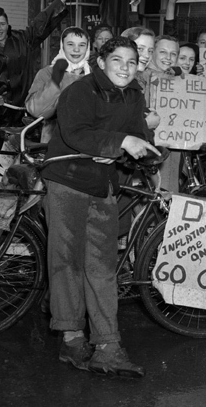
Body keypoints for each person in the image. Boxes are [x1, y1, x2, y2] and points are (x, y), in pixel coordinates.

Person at [42, 36, 159, 377]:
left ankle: (108, 345)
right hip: (67, 180)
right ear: (102, 62)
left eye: (132, 61)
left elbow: (138, 133)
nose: (125, 67)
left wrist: (150, 157)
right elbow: (77, 133)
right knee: (66, 261)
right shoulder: (80, 90)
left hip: (103, 184)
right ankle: (71, 336)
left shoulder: (135, 94)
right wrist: (122, 141)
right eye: (118, 60)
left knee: (102, 265)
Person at [0, 0, 73, 162]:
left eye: (2, 24)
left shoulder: (21, 39)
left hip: (21, 115)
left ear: (7, 24)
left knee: (21, 161)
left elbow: (42, 22)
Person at [25, 27, 91, 143]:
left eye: (82, 45)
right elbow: (36, 110)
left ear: (88, 47)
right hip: (54, 142)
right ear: (62, 46)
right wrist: (56, 80)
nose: (76, 49)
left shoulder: (94, 74)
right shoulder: (47, 73)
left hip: (87, 142)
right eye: (70, 44)